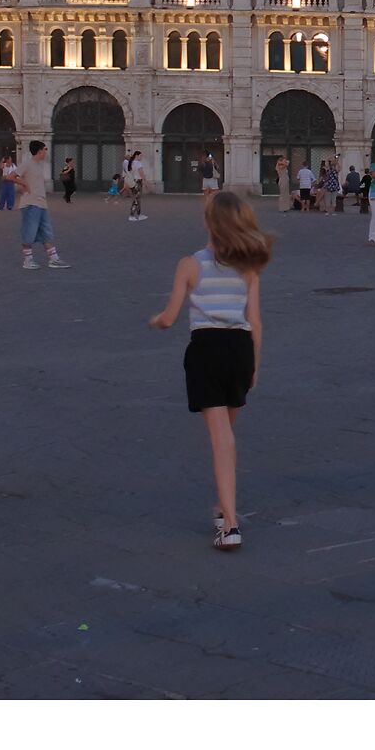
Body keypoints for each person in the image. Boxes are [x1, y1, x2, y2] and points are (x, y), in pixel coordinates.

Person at [149, 189, 273, 551]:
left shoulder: (190, 264)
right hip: (239, 350)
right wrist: (255, 365)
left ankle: (231, 524)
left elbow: (170, 317)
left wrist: (157, 320)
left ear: (209, 224)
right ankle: (222, 506)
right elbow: (256, 322)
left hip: (206, 350)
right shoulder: (249, 268)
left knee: (221, 441)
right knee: (227, 436)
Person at [17, 140, 69, 270]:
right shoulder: (27, 164)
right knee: (29, 232)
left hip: (41, 203)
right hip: (30, 203)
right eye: (45, 149)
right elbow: (11, 176)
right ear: (40, 150)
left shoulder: (38, 165)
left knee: (47, 232)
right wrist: (24, 185)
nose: (46, 151)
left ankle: (54, 259)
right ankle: (28, 260)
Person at [125, 149, 150, 221]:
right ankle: (131, 215)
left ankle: (139, 215)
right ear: (137, 155)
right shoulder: (138, 163)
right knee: (136, 199)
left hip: (132, 181)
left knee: (137, 199)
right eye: (140, 156)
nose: (141, 157)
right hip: (138, 182)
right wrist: (145, 182)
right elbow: (141, 173)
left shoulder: (131, 162)